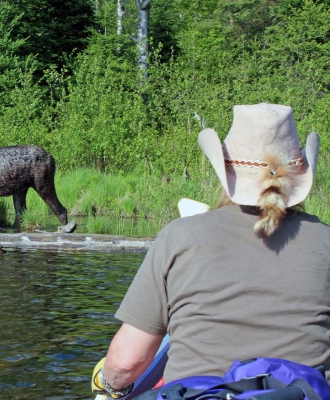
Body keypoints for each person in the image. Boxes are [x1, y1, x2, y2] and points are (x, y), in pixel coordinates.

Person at [92, 103, 330, 399]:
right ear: (300, 173)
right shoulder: (326, 241)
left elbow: (127, 363)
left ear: (226, 170)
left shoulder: (179, 237)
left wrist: (108, 383)